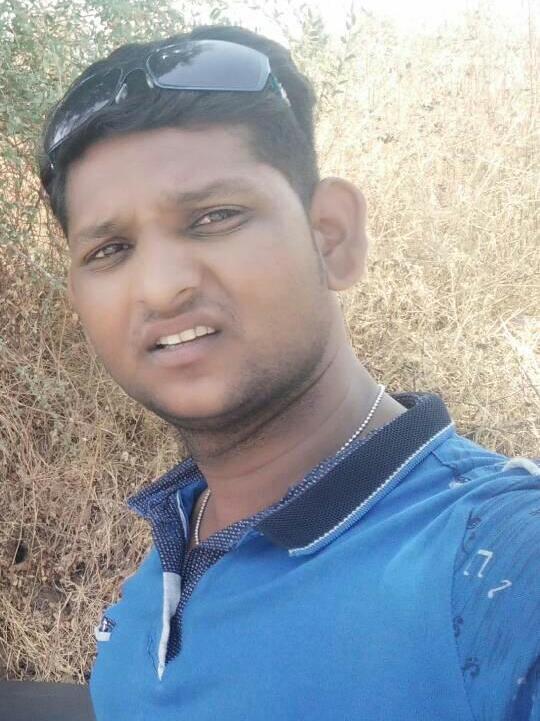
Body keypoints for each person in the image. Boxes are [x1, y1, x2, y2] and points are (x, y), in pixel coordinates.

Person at [38, 23, 539, 721]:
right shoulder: (168, 557)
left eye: (215, 216)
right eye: (110, 249)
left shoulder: (495, 564)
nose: (160, 287)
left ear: (330, 236)